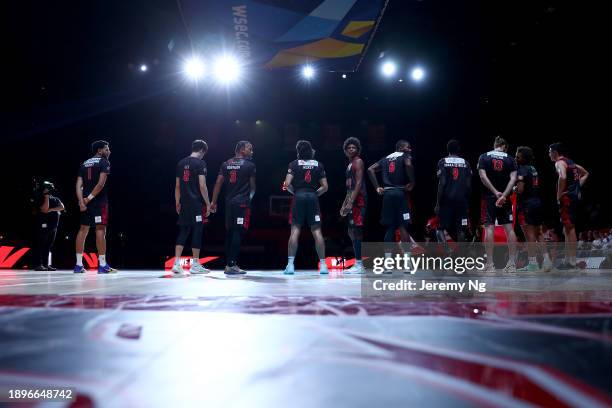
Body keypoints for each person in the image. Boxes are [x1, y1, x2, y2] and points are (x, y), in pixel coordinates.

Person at [282, 140, 329, 275]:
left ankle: (290, 265)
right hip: (312, 197)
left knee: (295, 230)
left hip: (299, 196)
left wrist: (295, 192)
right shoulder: (318, 164)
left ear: (298, 151)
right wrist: (314, 194)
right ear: (310, 150)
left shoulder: (293, 164)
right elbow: (325, 187)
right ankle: (324, 266)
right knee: (317, 231)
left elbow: (286, 183)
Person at [210, 141, 256, 275]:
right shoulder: (250, 165)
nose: (252, 152)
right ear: (242, 150)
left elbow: (218, 183)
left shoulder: (225, 164)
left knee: (230, 232)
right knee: (237, 231)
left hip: (228, 204)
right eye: (250, 149)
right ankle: (231, 264)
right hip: (241, 203)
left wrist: (213, 202)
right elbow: (253, 188)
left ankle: (229, 264)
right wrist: (249, 200)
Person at [367, 140, 416, 259]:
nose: (409, 149)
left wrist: (377, 187)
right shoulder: (405, 156)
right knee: (402, 226)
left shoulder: (385, 158)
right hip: (400, 193)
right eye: (407, 147)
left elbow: (370, 169)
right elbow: (409, 165)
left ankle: (388, 262)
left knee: (390, 227)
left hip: (387, 194)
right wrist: (412, 181)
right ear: (400, 147)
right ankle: (407, 262)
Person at [477, 136, 518, 272]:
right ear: (504, 146)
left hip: (489, 197)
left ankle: (490, 264)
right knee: (509, 229)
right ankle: (512, 263)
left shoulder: (484, 156)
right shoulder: (511, 159)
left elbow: (483, 177)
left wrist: (495, 193)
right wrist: (504, 195)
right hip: (505, 199)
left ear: (495, 144)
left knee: (489, 228)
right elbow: (513, 179)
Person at [171, 140, 212, 277]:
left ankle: (176, 263)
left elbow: (177, 186)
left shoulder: (180, 163)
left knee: (183, 230)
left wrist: (177, 202)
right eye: (204, 153)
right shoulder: (201, 163)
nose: (203, 156)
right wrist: (208, 203)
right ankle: (195, 265)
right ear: (201, 150)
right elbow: (202, 185)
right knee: (197, 230)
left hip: (183, 203)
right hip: (195, 204)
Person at [74, 140, 116, 274]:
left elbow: (78, 185)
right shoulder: (104, 162)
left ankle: (78, 265)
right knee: (100, 230)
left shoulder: (84, 163)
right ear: (99, 150)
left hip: (85, 203)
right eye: (107, 149)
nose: (109, 151)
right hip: (98, 202)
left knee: (82, 230)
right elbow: (100, 184)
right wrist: (89, 198)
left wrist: (81, 202)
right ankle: (102, 265)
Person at [549, 142, 589, 270]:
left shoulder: (559, 163)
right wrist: (576, 189)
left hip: (566, 199)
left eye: (550, 151)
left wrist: (559, 194)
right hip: (574, 198)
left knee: (570, 228)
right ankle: (568, 260)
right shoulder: (572, 163)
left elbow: (563, 176)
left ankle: (572, 261)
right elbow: (585, 173)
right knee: (566, 229)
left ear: (555, 152)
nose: (548, 154)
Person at [515, 146, 553, 272]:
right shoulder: (533, 168)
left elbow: (520, 189)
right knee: (539, 233)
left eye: (518, 156)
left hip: (527, 205)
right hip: (537, 202)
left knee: (529, 235)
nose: (516, 157)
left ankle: (533, 264)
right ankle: (547, 261)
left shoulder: (522, 169)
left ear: (523, 158)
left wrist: (512, 189)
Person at [435, 140, 472, 250]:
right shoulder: (466, 163)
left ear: (448, 150)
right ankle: (460, 259)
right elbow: (468, 185)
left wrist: (437, 203)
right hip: (461, 201)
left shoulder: (442, 161)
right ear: (458, 149)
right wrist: (467, 202)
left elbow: (442, 183)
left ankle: (447, 255)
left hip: (446, 200)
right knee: (461, 230)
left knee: (440, 229)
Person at [339, 137, 366, 274]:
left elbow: (359, 184)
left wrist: (351, 202)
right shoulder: (349, 165)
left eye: (353, 147)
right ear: (345, 150)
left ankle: (359, 264)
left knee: (357, 231)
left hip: (359, 201)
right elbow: (349, 188)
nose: (351, 149)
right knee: (351, 231)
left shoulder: (358, 161)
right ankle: (357, 261)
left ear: (357, 149)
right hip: (351, 200)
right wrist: (344, 204)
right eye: (349, 148)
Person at [32, 181, 64, 271]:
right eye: (47, 189)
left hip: (53, 227)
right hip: (44, 225)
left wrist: (51, 209)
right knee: (41, 244)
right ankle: (38, 264)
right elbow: (45, 209)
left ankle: (46, 265)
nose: (49, 190)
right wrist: (46, 197)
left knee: (48, 246)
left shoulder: (55, 198)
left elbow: (62, 207)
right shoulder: (40, 198)